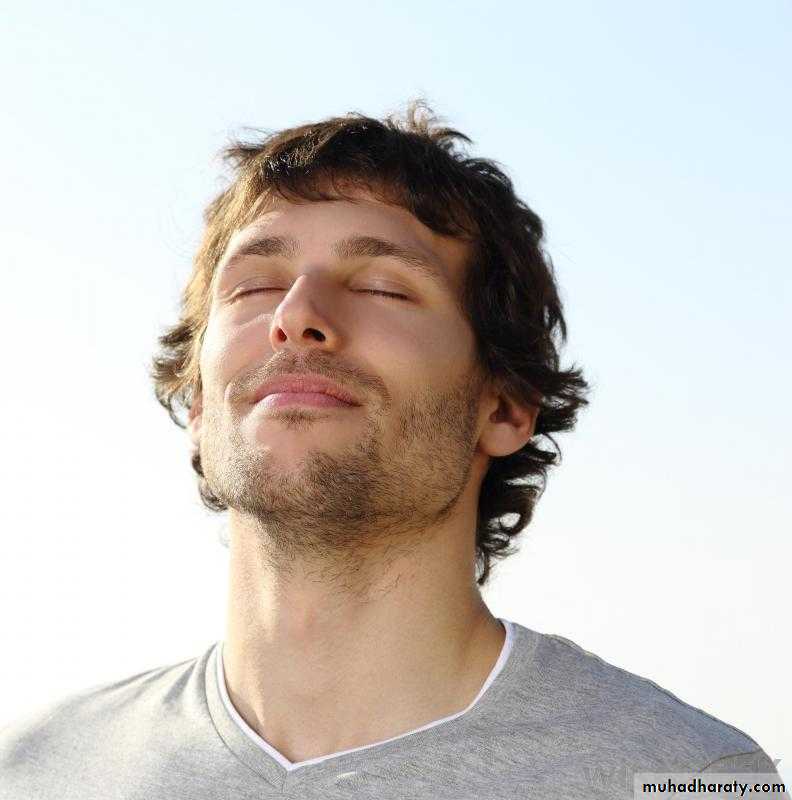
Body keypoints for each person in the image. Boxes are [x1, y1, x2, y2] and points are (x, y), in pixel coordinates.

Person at [0, 103, 786, 800]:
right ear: (199, 405)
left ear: (504, 406)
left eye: (382, 287)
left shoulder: (696, 776)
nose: (296, 315)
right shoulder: (33, 771)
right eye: (254, 287)